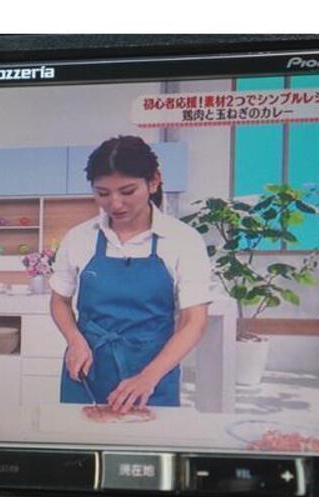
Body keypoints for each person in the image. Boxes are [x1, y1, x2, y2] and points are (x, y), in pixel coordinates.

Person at [50, 135, 212, 413]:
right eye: (103, 193)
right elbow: (59, 300)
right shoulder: (79, 238)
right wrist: (74, 340)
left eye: (127, 191)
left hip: (153, 376)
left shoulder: (183, 240)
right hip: (87, 372)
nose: (115, 204)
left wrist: (149, 377)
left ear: (154, 181)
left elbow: (194, 321)